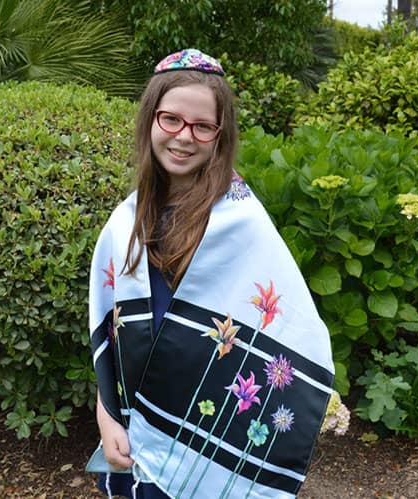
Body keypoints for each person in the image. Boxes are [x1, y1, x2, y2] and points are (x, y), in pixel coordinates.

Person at [87, 49, 334, 499]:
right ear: (150, 121)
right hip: (133, 429)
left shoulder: (241, 223)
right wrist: (106, 414)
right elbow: (111, 331)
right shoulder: (126, 220)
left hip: (206, 438)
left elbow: (296, 330)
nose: (184, 137)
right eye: (171, 120)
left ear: (220, 135)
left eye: (203, 126)